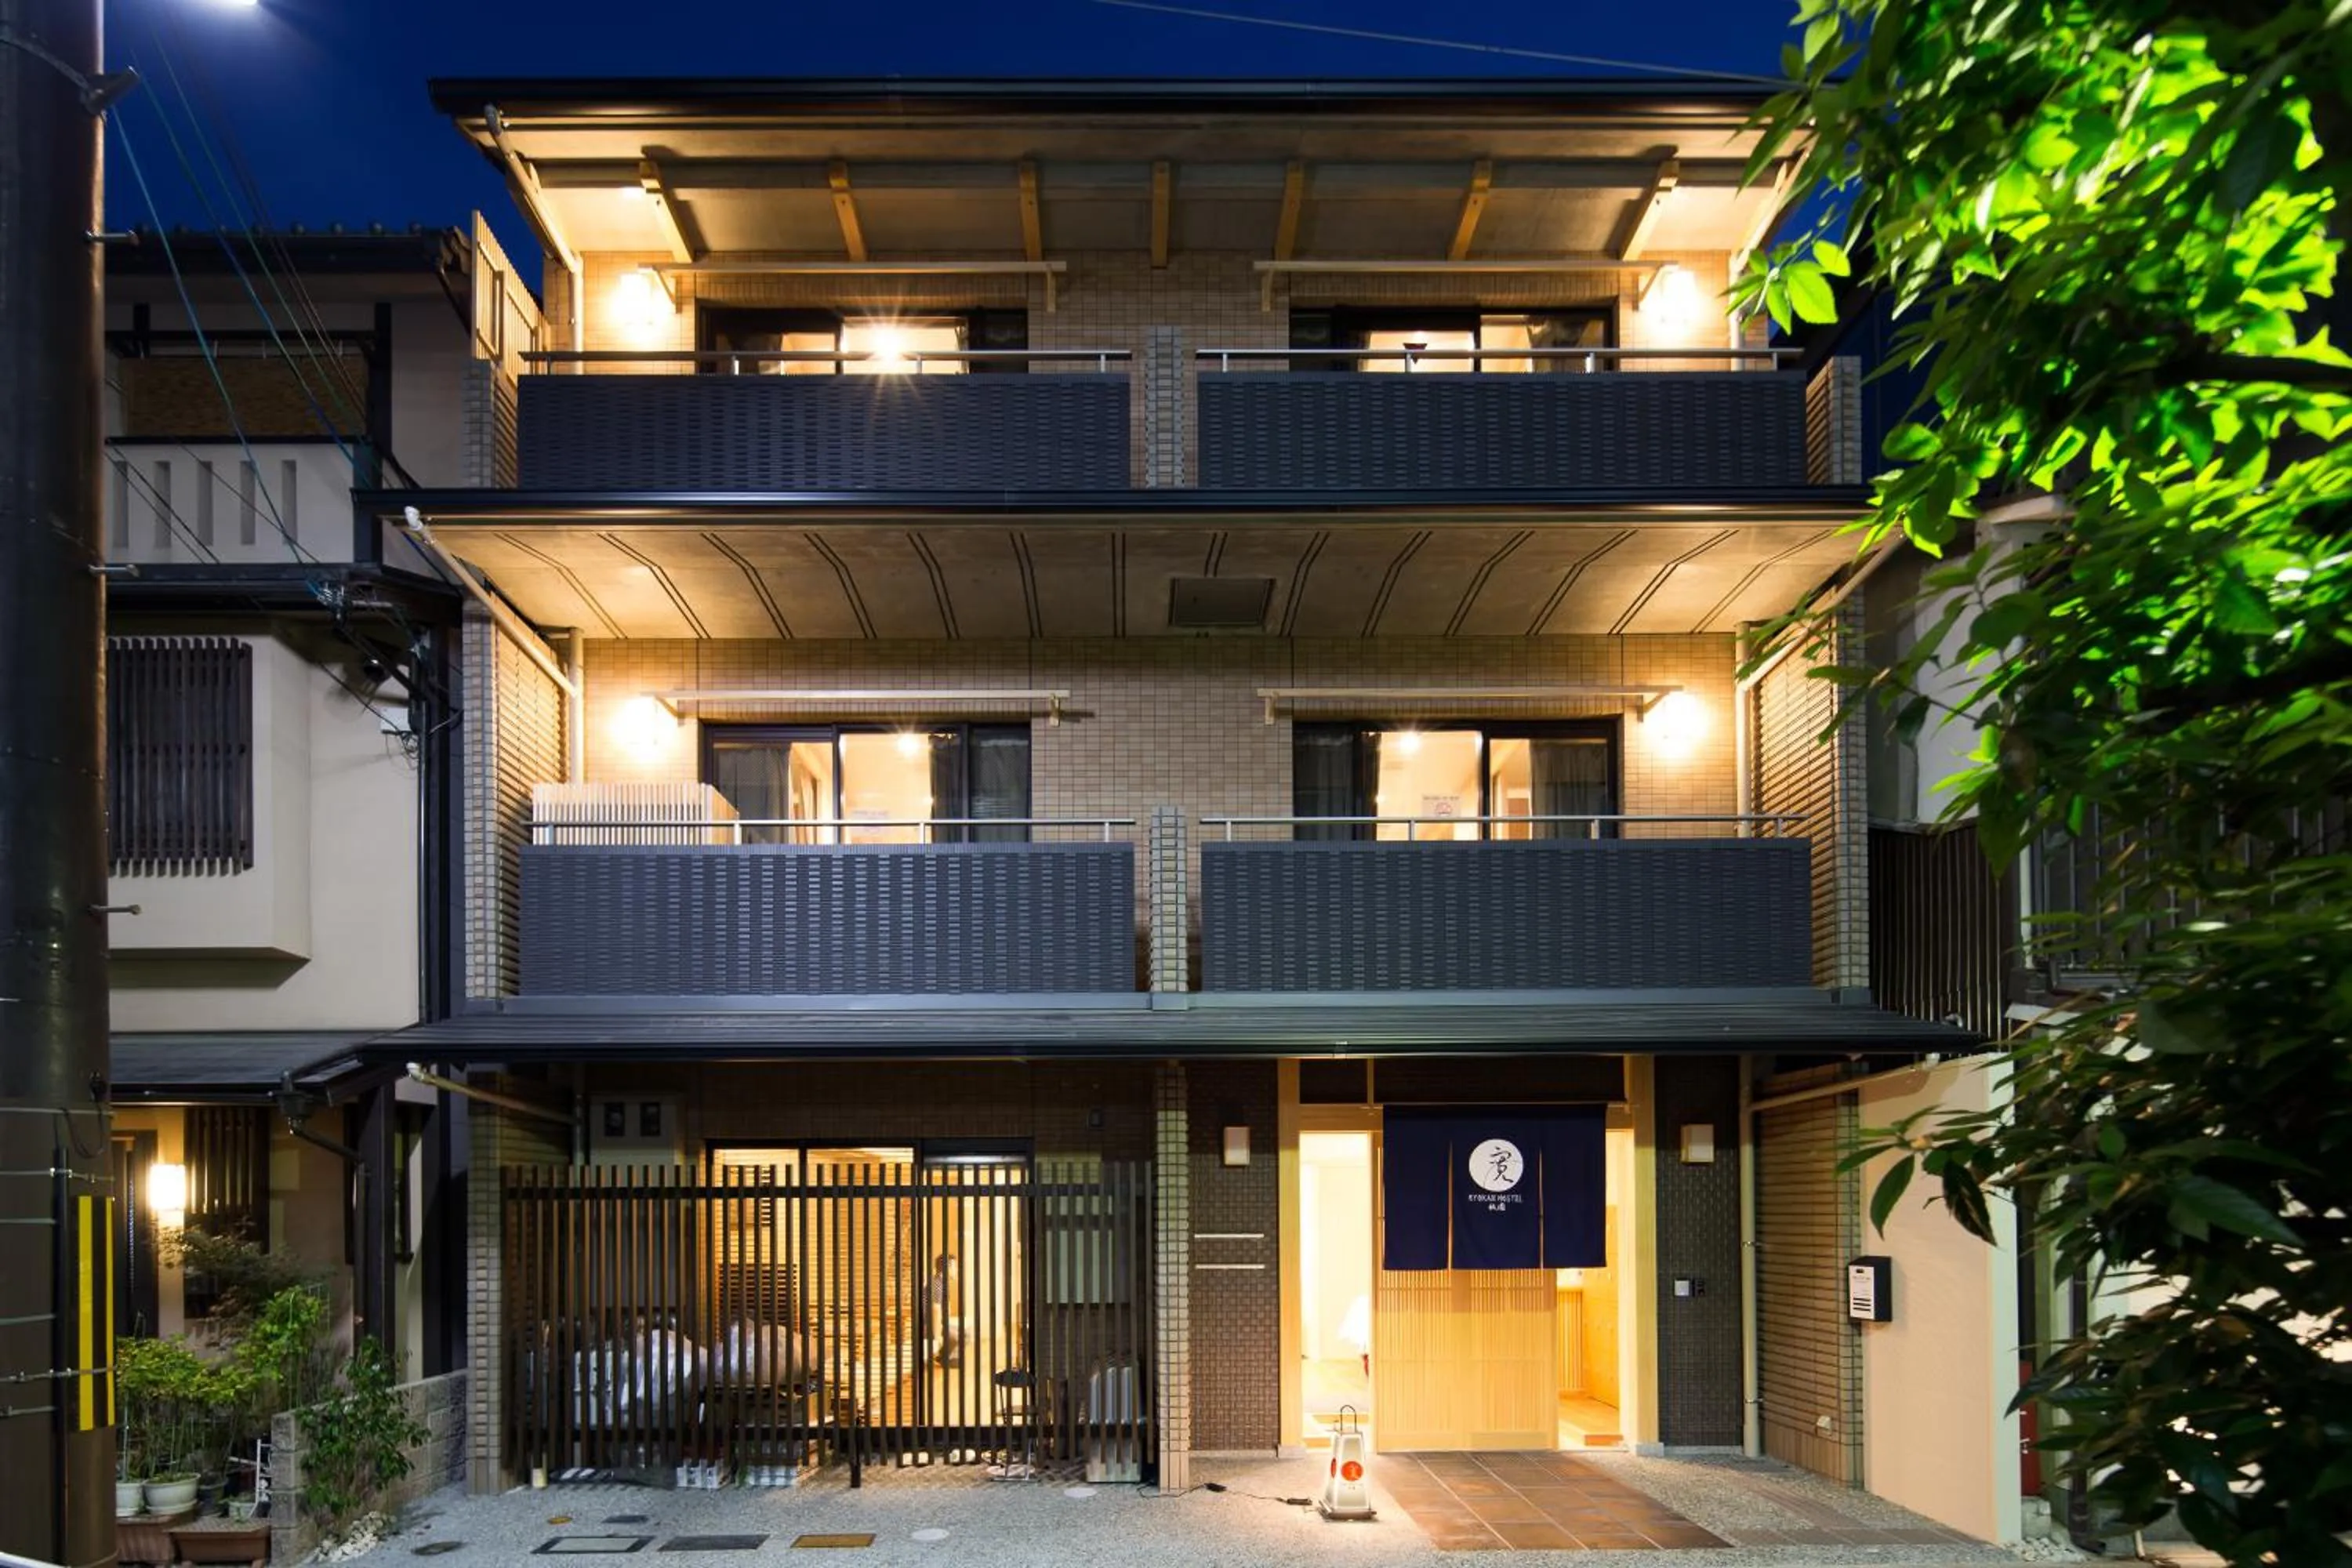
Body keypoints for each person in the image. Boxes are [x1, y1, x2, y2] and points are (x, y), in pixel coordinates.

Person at [927, 1253, 964, 1369]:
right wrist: (937, 1336)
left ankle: (943, 1357)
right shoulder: (937, 1284)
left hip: (936, 1323)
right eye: (954, 1267)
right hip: (928, 1326)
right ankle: (943, 1358)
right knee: (955, 1336)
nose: (956, 1270)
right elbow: (935, 1310)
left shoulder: (940, 1283)